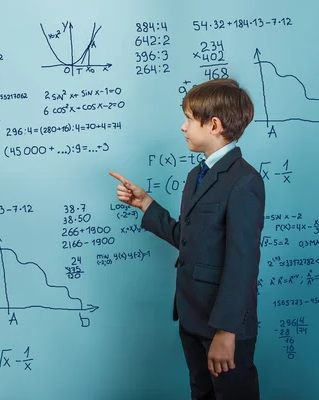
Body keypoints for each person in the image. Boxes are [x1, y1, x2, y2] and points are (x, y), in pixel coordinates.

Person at [109, 78, 265, 400]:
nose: (183, 127)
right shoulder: (197, 176)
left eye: (189, 119)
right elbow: (190, 239)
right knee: (202, 394)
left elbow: (242, 263)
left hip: (224, 326)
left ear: (214, 125)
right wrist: (146, 204)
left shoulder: (244, 181)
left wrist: (226, 332)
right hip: (193, 316)